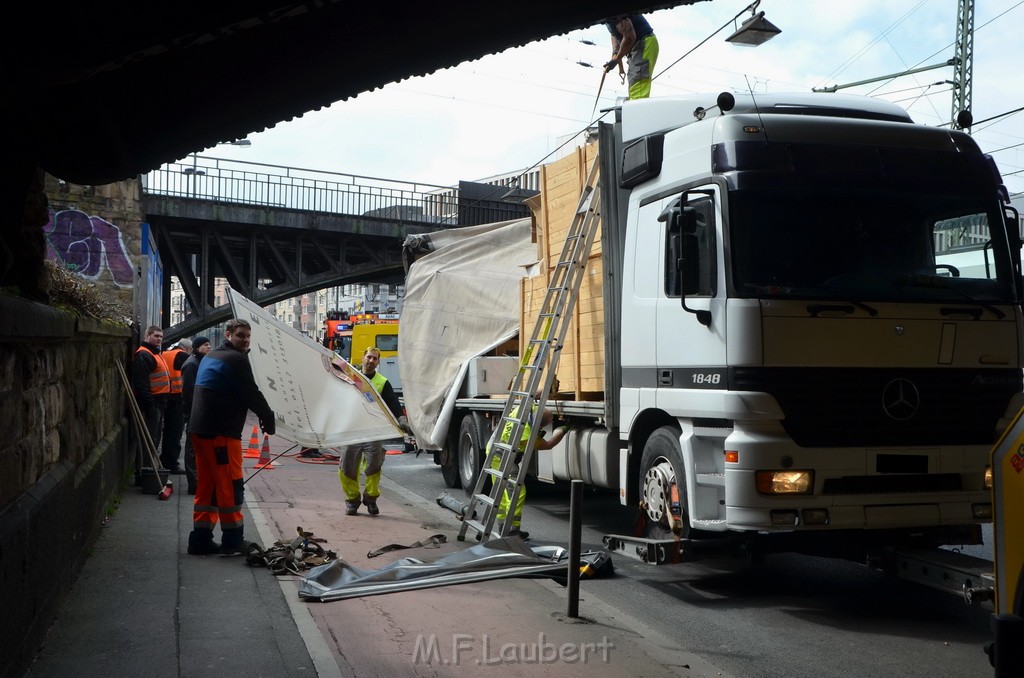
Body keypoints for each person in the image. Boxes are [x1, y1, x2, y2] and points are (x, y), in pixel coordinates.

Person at [186, 320, 276, 556]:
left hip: (199, 429)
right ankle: (233, 541)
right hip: (221, 433)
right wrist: (268, 417)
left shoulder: (212, 355)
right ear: (228, 335)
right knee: (230, 485)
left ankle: (200, 539)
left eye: (248, 336)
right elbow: (251, 393)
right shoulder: (236, 359)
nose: (245, 340)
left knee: (207, 485)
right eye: (240, 336)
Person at [339, 347, 407, 516]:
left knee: (374, 467)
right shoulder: (351, 376)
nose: (371, 361)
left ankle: (370, 500)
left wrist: (401, 419)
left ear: (378, 362)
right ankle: (352, 502)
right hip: (352, 430)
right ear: (363, 358)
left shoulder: (382, 382)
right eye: (368, 357)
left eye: (374, 359)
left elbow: (393, 402)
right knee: (347, 467)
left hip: (374, 431)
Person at [486, 405, 570, 539]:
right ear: (539, 426)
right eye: (542, 427)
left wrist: (549, 387)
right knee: (517, 491)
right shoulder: (527, 436)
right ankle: (512, 530)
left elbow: (535, 392)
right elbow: (548, 445)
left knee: (501, 493)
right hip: (502, 456)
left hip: (493, 450)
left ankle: (503, 527)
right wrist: (564, 429)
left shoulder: (523, 408)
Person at [130, 325, 169, 473]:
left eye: (160, 336)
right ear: (147, 336)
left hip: (159, 403)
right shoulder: (144, 355)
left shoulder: (154, 354)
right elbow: (141, 383)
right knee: (149, 439)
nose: (159, 339)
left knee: (154, 438)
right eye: (156, 336)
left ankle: (148, 469)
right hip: (152, 403)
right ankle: (144, 471)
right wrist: (151, 405)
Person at [180, 336, 212, 495]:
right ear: (197, 347)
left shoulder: (199, 362)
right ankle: (193, 483)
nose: (209, 347)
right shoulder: (192, 364)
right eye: (206, 345)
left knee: (197, 448)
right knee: (192, 449)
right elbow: (189, 391)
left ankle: (198, 481)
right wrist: (194, 412)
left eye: (209, 344)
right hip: (194, 412)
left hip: (199, 412)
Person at [604, 14, 659, 100]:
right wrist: (615, 53)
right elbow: (614, 34)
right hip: (638, 46)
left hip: (643, 44)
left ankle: (636, 111)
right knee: (635, 85)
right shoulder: (605, 15)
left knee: (637, 86)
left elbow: (630, 37)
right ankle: (634, 109)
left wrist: (617, 59)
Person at [158, 337, 191, 474]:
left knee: (167, 432)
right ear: (188, 349)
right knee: (176, 432)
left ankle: (164, 461)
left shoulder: (165, 353)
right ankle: (171, 464)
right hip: (177, 398)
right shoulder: (183, 356)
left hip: (164, 395)